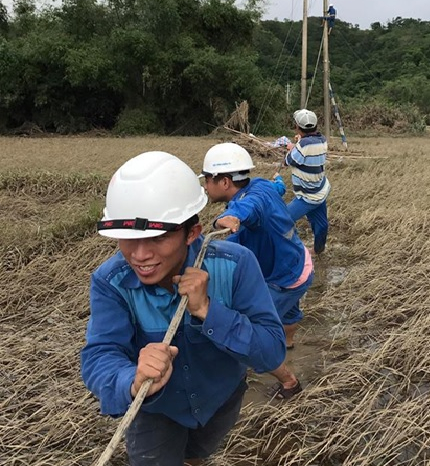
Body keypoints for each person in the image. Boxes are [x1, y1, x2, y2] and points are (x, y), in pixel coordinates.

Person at [81, 151, 285, 466]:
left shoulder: (236, 266)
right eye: (127, 239)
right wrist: (132, 380)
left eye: (158, 238)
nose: (139, 255)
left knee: (197, 456)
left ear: (192, 232)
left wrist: (207, 310)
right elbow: (100, 356)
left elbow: (271, 352)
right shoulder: (111, 282)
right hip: (154, 410)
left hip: (220, 400)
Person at [201, 143, 314, 400]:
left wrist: (224, 220)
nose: (205, 186)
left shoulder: (246, 204)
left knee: (250, 335)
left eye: (207, 180)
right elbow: (275, 190)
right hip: (298, 264)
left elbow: (245, 210)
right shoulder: (262, 185)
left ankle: (290, 382)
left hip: (284, 279)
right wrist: (279, 185)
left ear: (225, 181)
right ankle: (287, 344)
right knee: (289, 311)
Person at [284, 109, 330, 255]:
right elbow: (308, 148)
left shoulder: (302, 146)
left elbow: (289, 160)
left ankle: (291, 250)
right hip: (320, 191)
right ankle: (318, 250)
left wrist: (292, 148)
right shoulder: (322, 140)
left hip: (306, 196)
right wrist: (298, 143)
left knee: (283, 221)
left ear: (297, 127)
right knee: (321, 225)